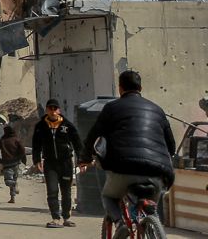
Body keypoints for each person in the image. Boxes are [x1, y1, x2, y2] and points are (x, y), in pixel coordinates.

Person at [80, 70, 177, 235]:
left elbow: (92, 137)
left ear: (120, 88)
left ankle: (119, 223)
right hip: (157, 172)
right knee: (151, 205)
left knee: (109, 197)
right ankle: (152, 225)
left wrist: (85, 158)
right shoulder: (157, 110)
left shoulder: (111, 108)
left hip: (123, 167)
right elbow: (171, 146)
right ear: (141, 88)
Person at [33, 98, 83, 228]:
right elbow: (36, 145)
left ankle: (66, 217)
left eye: (55, 108)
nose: (53, 111)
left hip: (66, 163)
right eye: (50, 108)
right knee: (52, 190)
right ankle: (55, 218)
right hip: (50, 164)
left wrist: (81, 160)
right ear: (47, 110)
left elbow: (78, 144)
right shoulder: (41, 126)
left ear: (59, 110)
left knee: (66, 191)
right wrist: (36, 160)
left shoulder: (67, 126)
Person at [0, 125, 28, 203]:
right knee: (13, 179)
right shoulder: (16, 140)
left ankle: (14, 185)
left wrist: (0, 160)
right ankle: (12, 198)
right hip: (16, 164)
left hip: (7, 164)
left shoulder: (2, 140)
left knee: (8, 181)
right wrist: (23, 160)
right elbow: (22, 151)